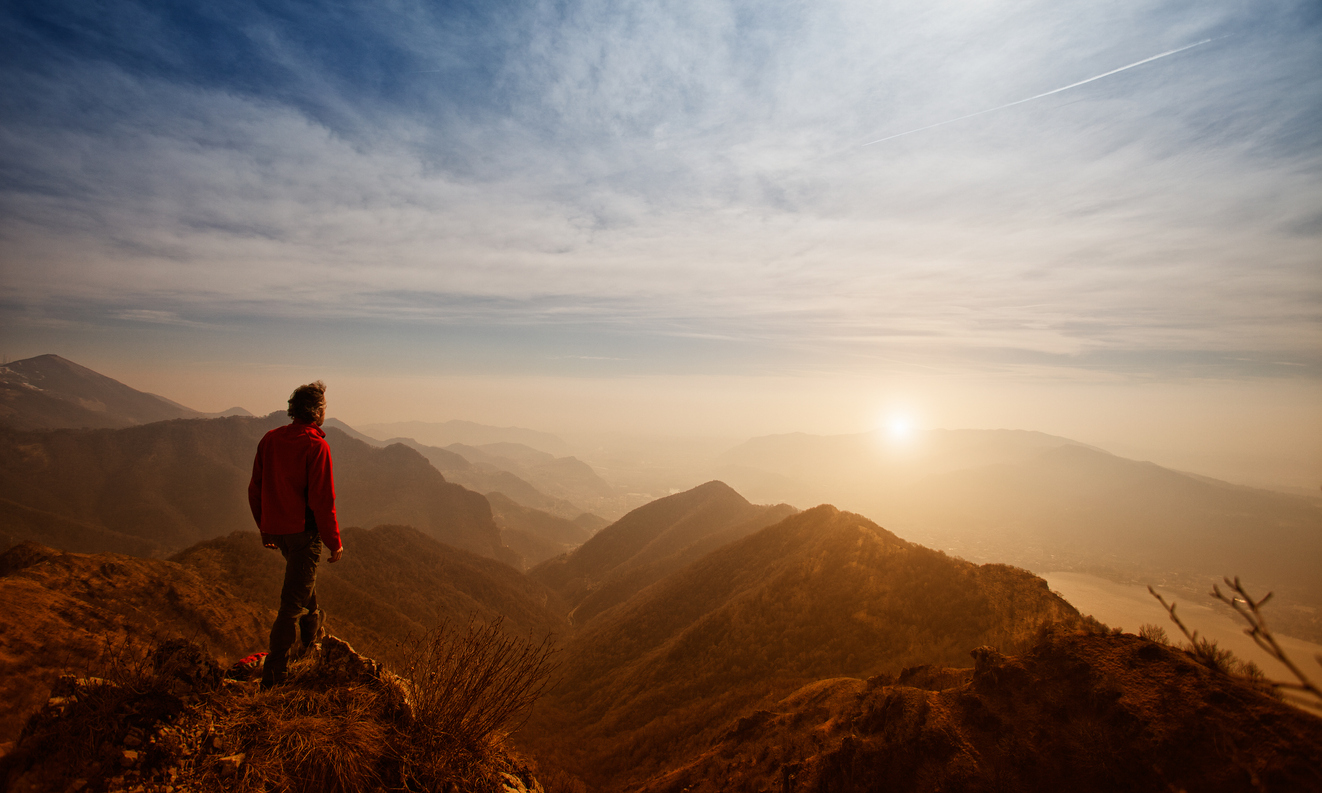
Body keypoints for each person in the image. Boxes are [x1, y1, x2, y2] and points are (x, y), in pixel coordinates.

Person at [247, 380, 344, 689]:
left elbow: (256, 488)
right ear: (316, 411)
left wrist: (265, 527)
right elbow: (322, 500)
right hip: (304, 533)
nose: (326, 412)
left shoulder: (271, 440)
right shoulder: (316, 446)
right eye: (325, 407)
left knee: (304, 587)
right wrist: (334, 542)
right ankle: (274, 676)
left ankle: (310, 647)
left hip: (279, 531)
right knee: (291, 605)